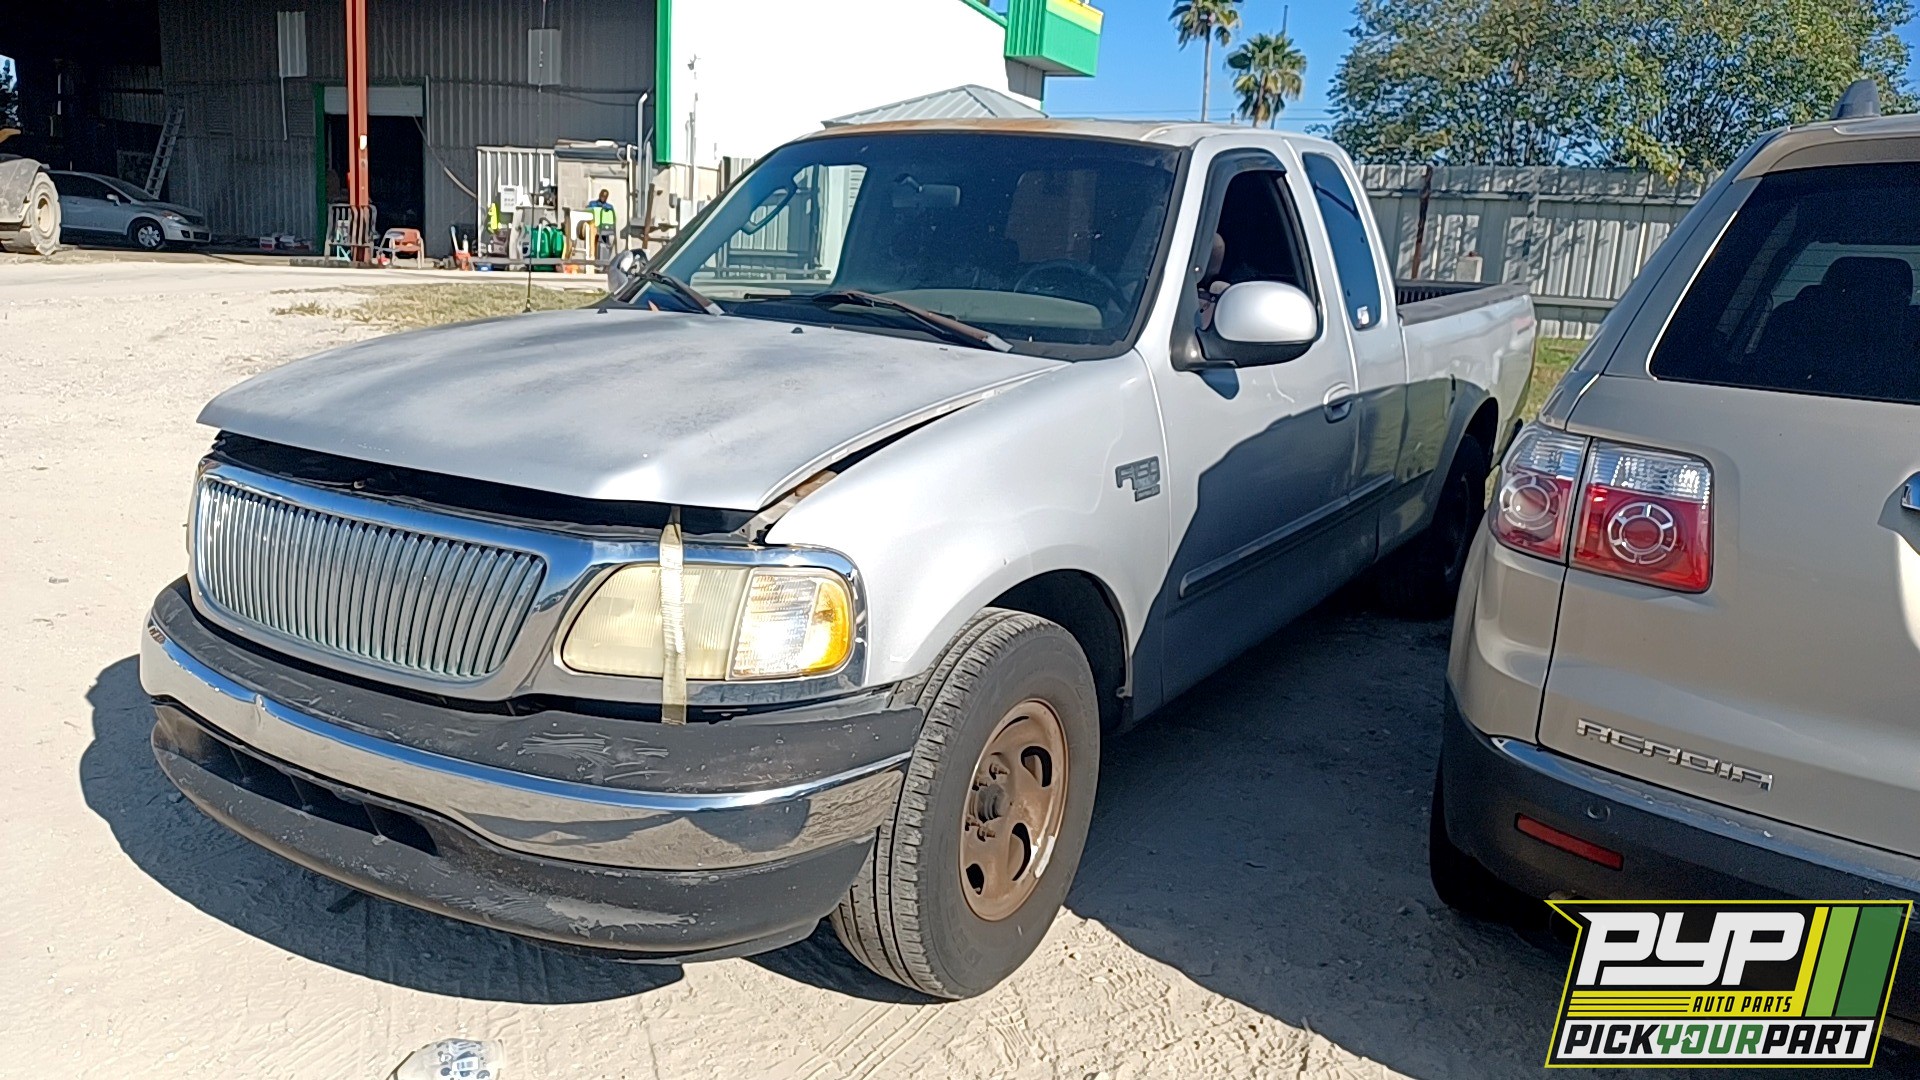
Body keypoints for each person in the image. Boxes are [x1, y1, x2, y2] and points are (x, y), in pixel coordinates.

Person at [586, 189, 618, 264]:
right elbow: (588, 213)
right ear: (600, 195)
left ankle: (603, 262)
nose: (603, 197)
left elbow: (613, 218)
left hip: (604, 230)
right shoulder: (592, 204)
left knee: (604, 246)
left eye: (605, 196)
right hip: (594, 228)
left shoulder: (609, 207)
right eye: (602, 195)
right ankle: (592, 260)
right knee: (592, 245)